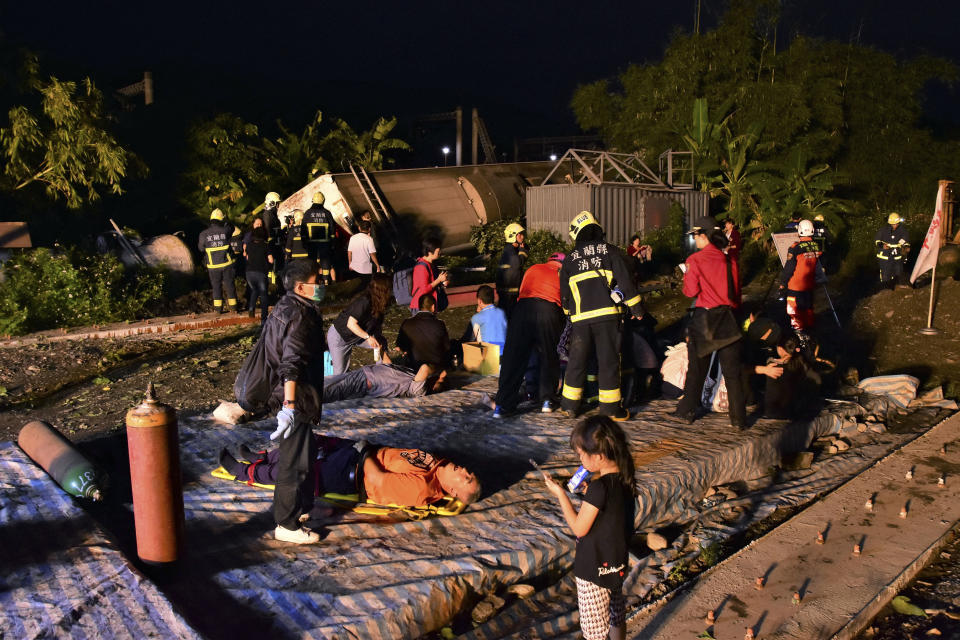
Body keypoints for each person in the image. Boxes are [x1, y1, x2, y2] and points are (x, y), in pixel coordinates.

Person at [245, 259, 327, 544]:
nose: (322, 285)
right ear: (302, 286)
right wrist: (290, 407)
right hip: (297, 397)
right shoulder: (302, 315)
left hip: (289, 395)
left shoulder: (283, 306)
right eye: (318, 280)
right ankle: (286, 524)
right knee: (294, 462)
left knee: (304, 455)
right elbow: (291, 363)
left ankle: (300, 509)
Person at [538, 416, 635, 640]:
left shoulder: (599, 488)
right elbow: (609, 510)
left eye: (581, 454)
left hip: (593, 570)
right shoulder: (625, 479)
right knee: (616, 616)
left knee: (595, 631)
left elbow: (579, 528)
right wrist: (587, 493)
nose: (579, 458)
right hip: (616, 564)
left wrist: (561, 494)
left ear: (599, 457)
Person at [219, 435, 481, 508]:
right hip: (362, 453)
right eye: (471, 473)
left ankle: (246, 472)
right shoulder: (438, 464)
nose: (466, 470)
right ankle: (262, 457)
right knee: (311, 440)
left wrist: (363, 452)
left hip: (353, 473)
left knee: (299, 469)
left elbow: (379, 480)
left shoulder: (422, 488)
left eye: (466, 478)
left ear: (454, 491)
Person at [559, 211, 646, 421]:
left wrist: (569, 314)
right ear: (597, 229)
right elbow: (625, 283)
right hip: (607, 317)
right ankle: (610, 409)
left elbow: (565, 296)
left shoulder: (570, 259)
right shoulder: (610, 252)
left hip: (580, 320)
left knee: (577, 362)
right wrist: (637, 310)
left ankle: (569, 406)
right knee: (608, 362)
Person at [672, 216, 747, 429]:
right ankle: (739, 420)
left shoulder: (695, 260)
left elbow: (690, 291)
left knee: (697, 370)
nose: (695, 240)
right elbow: (736, 293)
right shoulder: (729, 259)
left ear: (703, 235)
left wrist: (687, 274)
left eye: (696, 235)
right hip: (728, 318)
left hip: (705, 319)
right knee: (732, 373)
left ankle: (686, 411)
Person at [492, 252, 566, 417]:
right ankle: (547, 400)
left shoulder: (533, 268)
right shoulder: (563, 273)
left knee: (514, 357)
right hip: (549, 310)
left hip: (523, 309)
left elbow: (522, 291)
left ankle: (503, 405)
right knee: (549, 355)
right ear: (562, 263)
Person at [326, 273, 392, 375]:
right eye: (389, 288)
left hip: (359, 336)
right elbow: (351, 324)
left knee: (381, 341)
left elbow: (376, 325)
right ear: (382, 289)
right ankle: (334, 389)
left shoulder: (380, 303)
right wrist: (368, 337)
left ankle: (384, 373)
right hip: (340, 336)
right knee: (340, 373)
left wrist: (380, 348)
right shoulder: (364, 301)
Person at [779, 219, 824, 338]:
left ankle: (798, 334)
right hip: (809, 286)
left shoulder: (795, 248)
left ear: (799, 231)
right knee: (808, 310)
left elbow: (789, 268)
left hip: (795, 287)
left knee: (794, 312)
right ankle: (809, 332)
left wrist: (783, 283)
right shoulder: (816, 246)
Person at [323, 362, 435, 402]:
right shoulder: (411, 375)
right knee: (329, 382)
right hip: (366, 374)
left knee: (330, 391)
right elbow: (390, 367)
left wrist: (439, 369)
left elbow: (425, 368)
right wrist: (382, 349)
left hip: (367, 381)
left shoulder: (418, 391)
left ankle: (308, 399)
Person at [397, 294, 451, 374]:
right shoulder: (439, 324)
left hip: (414, 367)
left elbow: (400, 345)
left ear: (419, 307)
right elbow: (447, 347)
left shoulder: (407, 323)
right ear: (433, 307)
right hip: (435, 367)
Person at [197, 208, 238, 313]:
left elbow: (201, 248)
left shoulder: (203, 234)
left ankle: (218, 310)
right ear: (221, 220)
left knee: (216, 287)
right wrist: (227, 221)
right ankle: (233, 309)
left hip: (213, 266)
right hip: (227, 264)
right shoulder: (226, 230)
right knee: (229, 285)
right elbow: (232, 228)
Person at [243, 219, 274, 321]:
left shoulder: (249, 245)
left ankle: (251, 308)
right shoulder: (266, 245)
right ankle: (263, 318)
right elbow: (270, 260)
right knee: (264, 295)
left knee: (255, 290)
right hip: (261, 273)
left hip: (249, 273)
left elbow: (246, 257)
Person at [303, 191, 337, 285]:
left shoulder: (307, 213)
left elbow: (303, 230)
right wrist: (333, 242)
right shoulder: (327, 213)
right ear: (323, 201)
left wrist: (304, 243)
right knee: (325, 262)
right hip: (325, 243)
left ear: (313, 201)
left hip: (311, 244)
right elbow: (332, 229)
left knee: (312, 263)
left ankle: (313, 281)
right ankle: (326, 281)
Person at [496, 223, 528, 318]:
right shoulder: (511, 252)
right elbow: (518, 263)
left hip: (507, 295)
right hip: (509, 296)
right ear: (514, 236)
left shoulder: (509, 250)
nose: (523, 237)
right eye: (520, 234)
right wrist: (523, 252)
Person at [410, 237, 448, 314]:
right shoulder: (421, 267)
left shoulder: (430, 264)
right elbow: (424, 289)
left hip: (429, 305)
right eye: (438, 251)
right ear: (430, 252)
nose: (440, 253)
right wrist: (439, 280)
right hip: (421, 307)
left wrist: (442, 283)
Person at [875, 212, 911, 290]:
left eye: (896, 223)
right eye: (893, 224)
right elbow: (877, 241)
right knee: (885, 275)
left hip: (897, 256)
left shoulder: (903, 231)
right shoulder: (883, 230)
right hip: (885, 257)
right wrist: (882, 245)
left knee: (898, 274)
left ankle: (896, 290)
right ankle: (885, 290)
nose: (894, 225)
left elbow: (905, 241)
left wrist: (906, 247)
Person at [467, 285, 507, 350]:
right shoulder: (502, 313)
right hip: (504, 352)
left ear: (479, 301)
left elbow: (476, 340)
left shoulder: (477, 317)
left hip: (489, 355)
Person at [347, 220, 380, 288]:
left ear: (359, 228)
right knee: (367, 287)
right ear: (369, 229)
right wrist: (377, 265)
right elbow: (372, 254)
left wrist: (350, 262)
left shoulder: (353, 238)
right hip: (365, 269)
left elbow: (349, 252)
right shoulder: (369, 239)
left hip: (354, 267)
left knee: (356, 286)